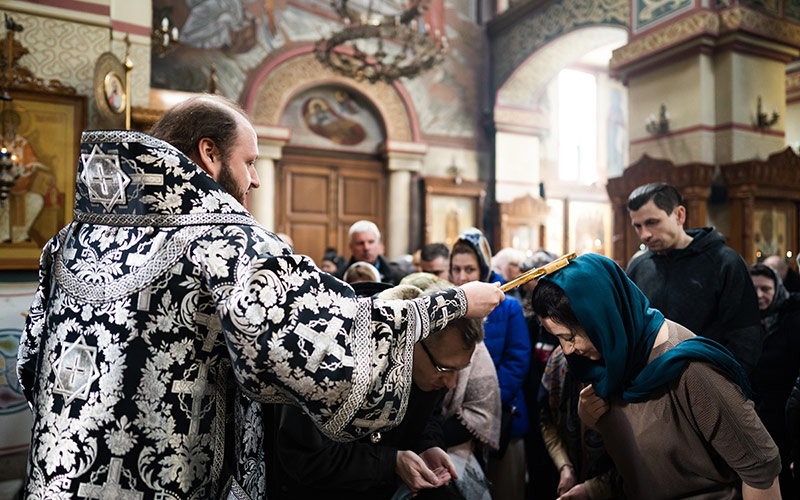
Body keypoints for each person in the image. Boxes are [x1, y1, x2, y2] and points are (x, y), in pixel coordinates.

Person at [16, 95, 505, 499]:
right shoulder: (226, 242)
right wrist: (454, 303)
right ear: (209, 154)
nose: (253, 179)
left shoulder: (68, 241)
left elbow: (28, 367)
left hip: (63, 483)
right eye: (249, 162)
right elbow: (322, 344)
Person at [532, 253, 782, 499]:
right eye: (558, 339)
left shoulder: (691, 369)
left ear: (602, 319)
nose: (567, 350)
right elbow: (653, 469)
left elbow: (761, 468)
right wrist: (594, 489)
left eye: (569, 337)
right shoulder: (610, 365)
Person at [272, 278, 483, 500]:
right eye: (444, 369)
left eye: (459, 370)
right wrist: (390, 462)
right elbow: (306, 457)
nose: (450, 383)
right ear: (414, 338)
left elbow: (429, 416)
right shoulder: (336, 356)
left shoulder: (433, 366)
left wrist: (428, 446)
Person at [626, 182, 762, 374]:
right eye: (637, 226)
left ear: (679, 215)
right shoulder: (638, 266)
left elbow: (745, 338)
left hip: (708, 381)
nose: (644, 234)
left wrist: (724, 385)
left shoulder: (725, 262)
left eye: (652, 222)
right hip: (648, 383)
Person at [449, 227, 531, 500]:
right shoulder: (448, 304)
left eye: (470, 270)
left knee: (505, 487)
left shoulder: (508, 306)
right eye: (456, 269)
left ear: (483, 268)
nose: (462, 277)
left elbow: (517, 362)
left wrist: (486, 402)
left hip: (504, 413)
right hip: (458, 420)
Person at [539, 346, 619, 500]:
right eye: (562, 336)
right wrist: (565, 466)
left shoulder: (623, 371)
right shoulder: (559, 360)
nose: (568, 348)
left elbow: (641, 463)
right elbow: (547, 420)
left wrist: (592, 490)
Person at [750, 263, 800, 498]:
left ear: (776, 289)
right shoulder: (742, 323)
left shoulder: (791, 319)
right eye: (754, 289)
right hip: (753, 415)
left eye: (766, 289)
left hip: (783, 417)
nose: (759, 295)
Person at [342, 220, 406, 285]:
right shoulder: (338, 279)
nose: (366, 248)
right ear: (351, 247)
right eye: (360, 243)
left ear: (379, 244)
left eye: (371, 242)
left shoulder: (398, 277)